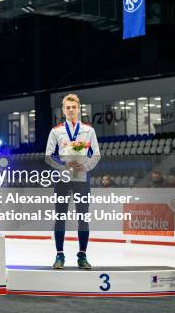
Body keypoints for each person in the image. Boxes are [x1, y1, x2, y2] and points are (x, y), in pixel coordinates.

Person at [45, 93, 100, 270]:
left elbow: (97, 154)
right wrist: (63, 165)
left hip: (82, 179)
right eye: (67, 107)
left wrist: (86, 166)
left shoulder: (89, 130)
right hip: (62, 179)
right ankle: (59, 255)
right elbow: (48, 156)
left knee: (83, 218)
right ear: (63, 110)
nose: (70, 110)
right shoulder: (56, 131)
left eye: (73, 107)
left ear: (78, 108)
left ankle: (82, 256)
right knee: (60, 217)